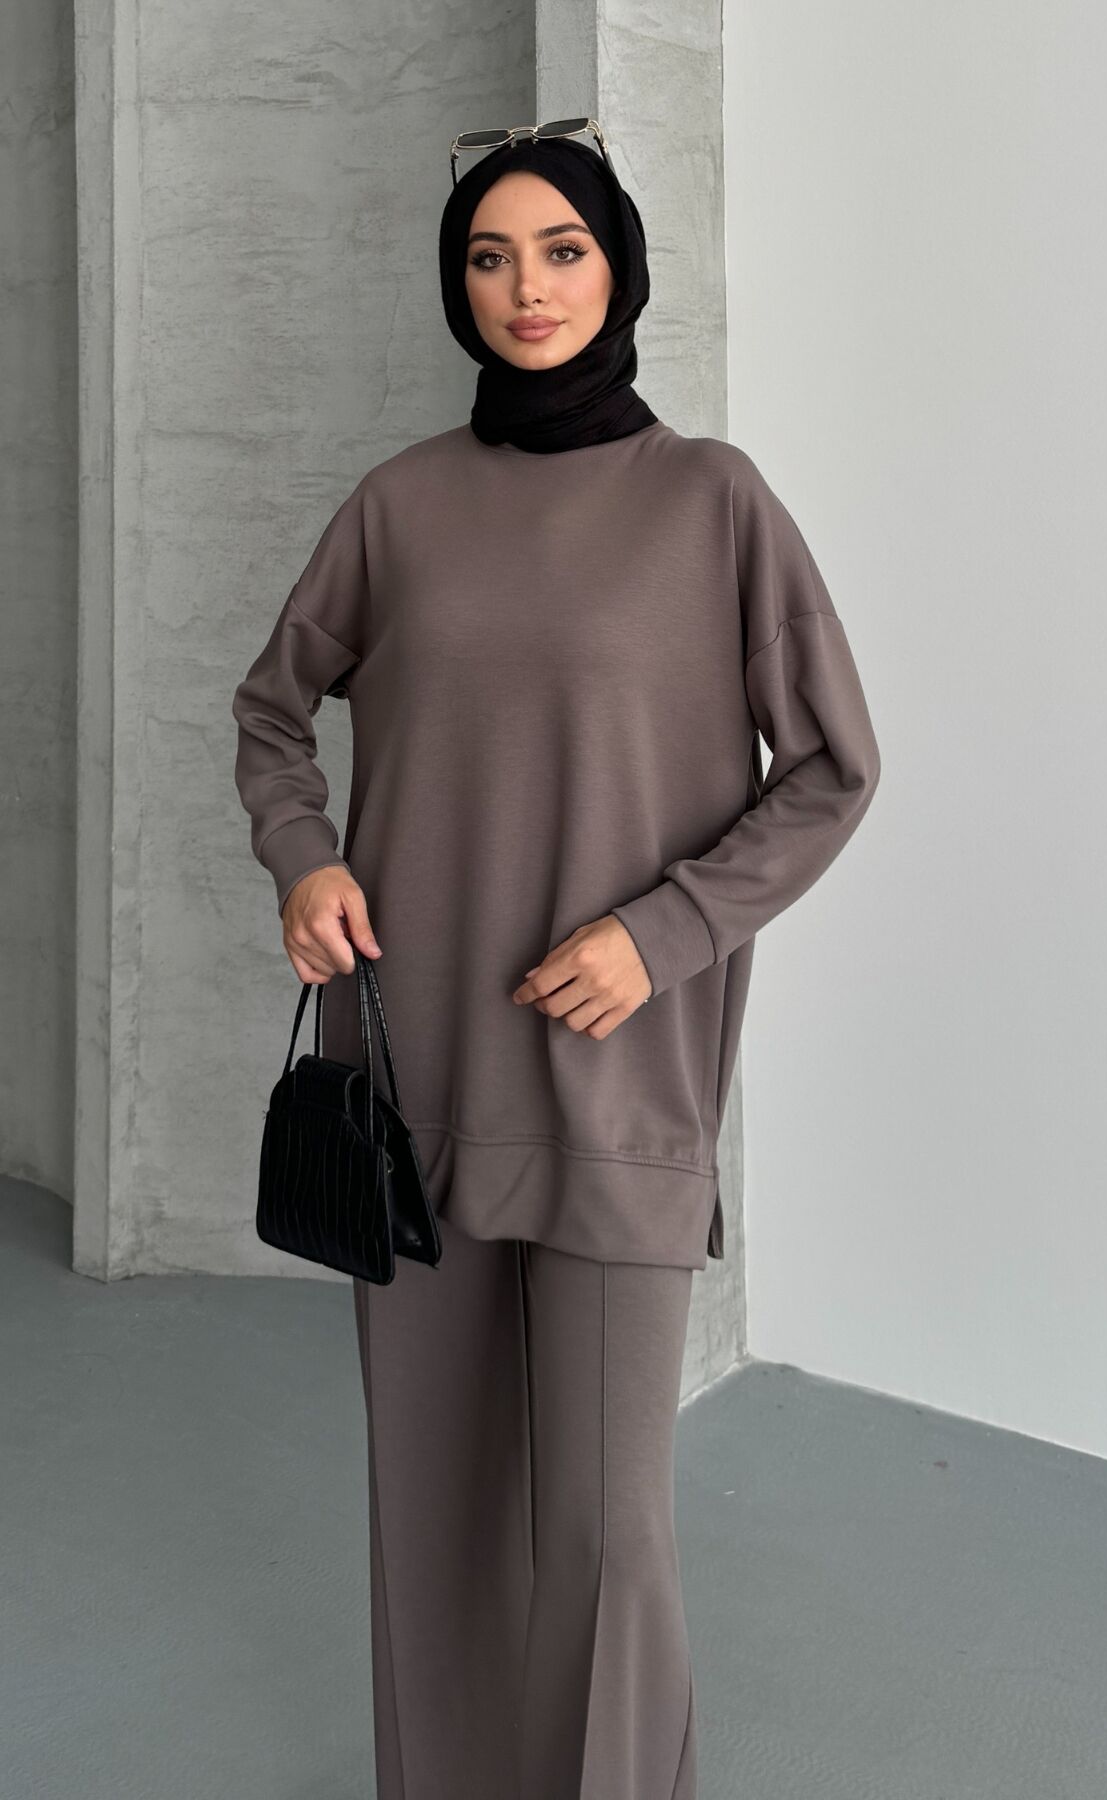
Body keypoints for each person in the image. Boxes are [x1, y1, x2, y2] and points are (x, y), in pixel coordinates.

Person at [232, 120, 881, 1800]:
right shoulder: (399, 507)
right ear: (458, 284)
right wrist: (305, 859)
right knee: (433, 1520)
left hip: (615, 1085)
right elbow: (272, 714)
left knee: (606, 1537)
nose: (527, 288)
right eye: (490, 256)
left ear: (620, 267)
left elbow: (832, 769)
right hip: (413, 1083)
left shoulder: (715, 504)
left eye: (563, 249)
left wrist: (662, 934)